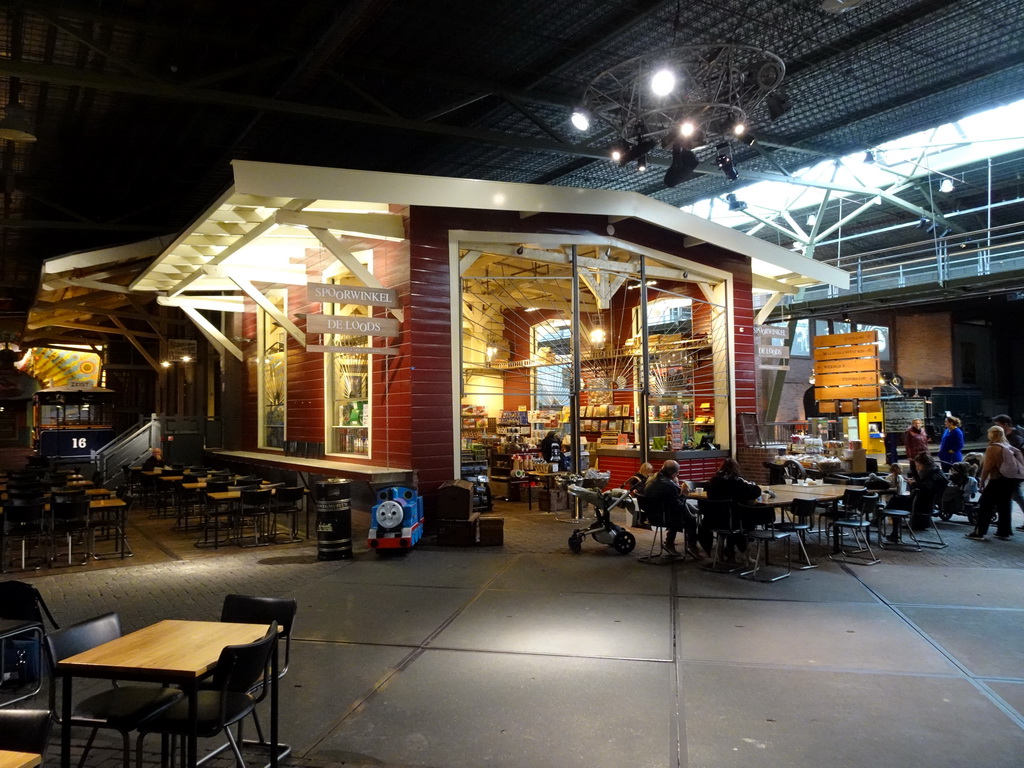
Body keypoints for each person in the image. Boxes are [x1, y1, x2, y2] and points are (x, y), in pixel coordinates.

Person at [698, 458, 762, 559]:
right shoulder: (736, 482)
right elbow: (756, 491)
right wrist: (749, 484)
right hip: (732, 522)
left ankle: (729, 549)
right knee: (747, 518)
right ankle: (735, 548)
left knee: (733, 515)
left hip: (711, 521)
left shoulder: (713, 481)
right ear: (736, 469)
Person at [967, 425, 1021, 541]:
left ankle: (979, 532)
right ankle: (1004, 531)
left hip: (997, 480)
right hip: (1010, 480)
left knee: (985, 505)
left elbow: (987, 467)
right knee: (1004, 506)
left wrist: (982, 481)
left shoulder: (993, 448)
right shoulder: (1007, 446)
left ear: (991, 435)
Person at [643, 460, 700, 558]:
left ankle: (670, 541)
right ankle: (691, 546)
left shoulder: (652, 477)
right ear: (674, 474)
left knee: (682, 513)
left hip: (650, 515)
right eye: (678, 473)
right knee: (690, 518)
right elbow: (677, 507)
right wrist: (683, 495)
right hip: (663, 517)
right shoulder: (669, 485)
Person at [992, 415, 1024, 528]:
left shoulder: (1016, 437)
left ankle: (1004, 521)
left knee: (1016, 496)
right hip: (1008, 471)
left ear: (1005, 424)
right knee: (1009, 496)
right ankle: (1004, 520)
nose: (997, 427)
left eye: (998, 425)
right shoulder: (1007, 435)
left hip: (1015, 472)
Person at [908, 452, 947, 530]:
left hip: (924, 504)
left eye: (918, 466)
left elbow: (925, 488)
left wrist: (913, 484)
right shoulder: (935, 472)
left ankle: (893, 530)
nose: (917, 468)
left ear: (924, 465)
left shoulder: (931, 476)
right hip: (930, 502)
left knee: (895, 500)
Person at [625, 462, 654, 528]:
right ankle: (643, 520)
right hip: (640, 495)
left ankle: (647, 519)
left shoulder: (648, 476)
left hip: (645, 493)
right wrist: (634, 489)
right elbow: (632, 485)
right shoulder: (637, 477)